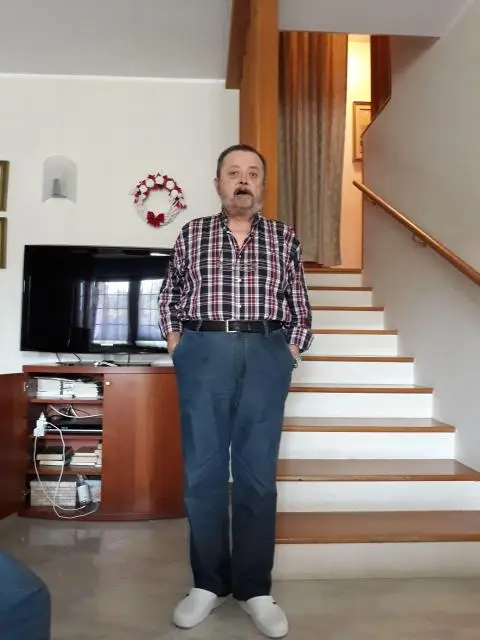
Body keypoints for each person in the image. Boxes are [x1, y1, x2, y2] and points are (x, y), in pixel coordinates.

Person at [158, 143, 312, 639]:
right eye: (233, 173)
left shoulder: (284, 237)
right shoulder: (193, 233)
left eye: (252, 173)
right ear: (219, 183)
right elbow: (169, 294)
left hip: (267, 351)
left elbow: (299, 303)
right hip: (204, 351)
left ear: (262, 184)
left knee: (257, 476)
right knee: (202, 472)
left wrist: (290, 351)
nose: (243, 180)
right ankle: (207, 583)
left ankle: (254, 588)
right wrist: (178, 343)